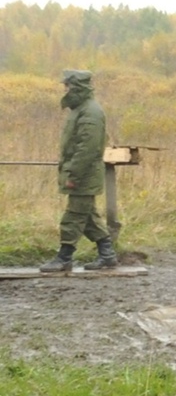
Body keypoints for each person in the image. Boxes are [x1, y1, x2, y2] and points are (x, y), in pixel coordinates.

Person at [40, 70, 118, 273]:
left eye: (67, 86)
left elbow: (87, 148)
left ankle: (64, 257)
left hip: (84, 174)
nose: (64, 90)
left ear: (77, 87)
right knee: (89, 216)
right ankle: (107, 255)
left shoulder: (90, 112)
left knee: (73, 216)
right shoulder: (81, 109)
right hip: (82, 173)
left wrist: (73, 174)